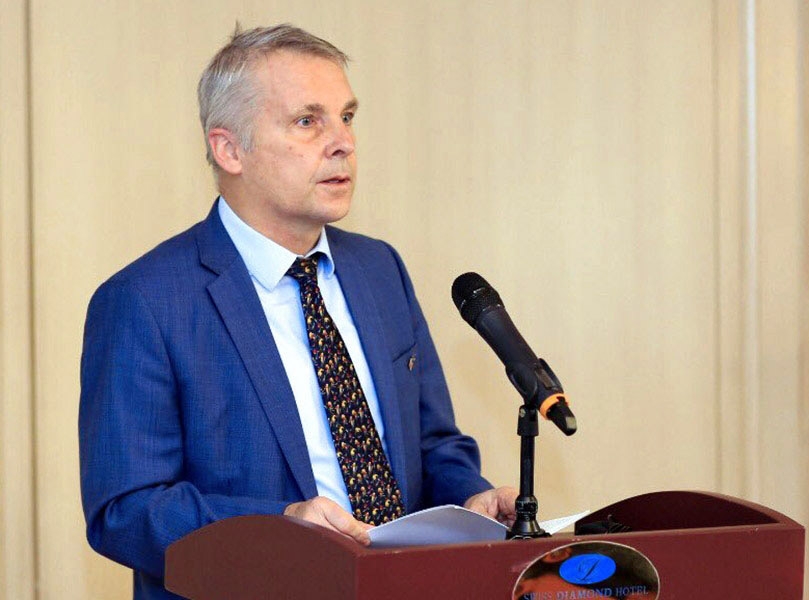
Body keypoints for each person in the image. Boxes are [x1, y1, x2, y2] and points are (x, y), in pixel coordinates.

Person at [79, 24, 516, 599]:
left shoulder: (379, 269)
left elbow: (433, 445)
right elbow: (125, 510)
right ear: (229, 149)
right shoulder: (145, 301)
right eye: (308, 121)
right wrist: (280, 527)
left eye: (347, 117)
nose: (343, 143)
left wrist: (471, 498)